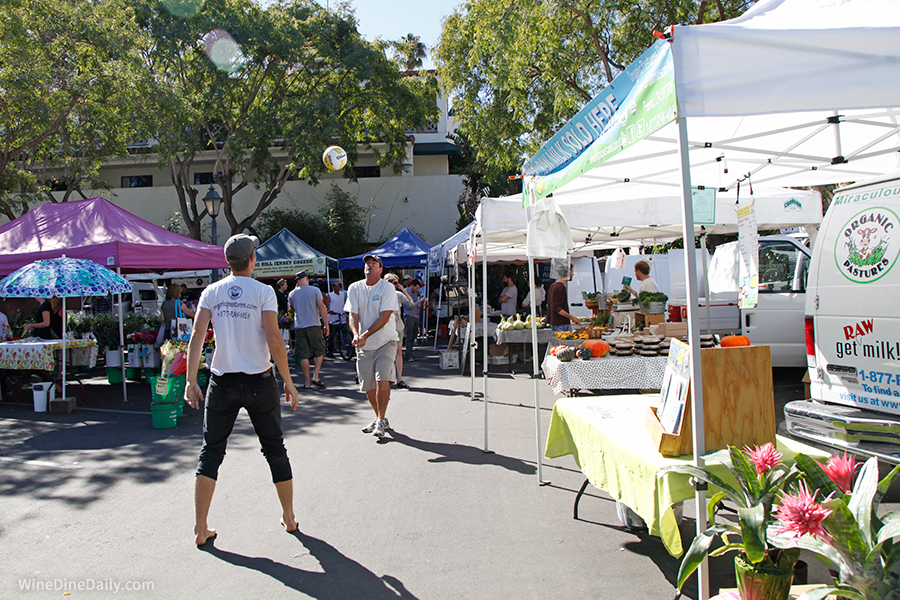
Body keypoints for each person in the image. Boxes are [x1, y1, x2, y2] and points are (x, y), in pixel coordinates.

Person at [184, 234, 300, 547]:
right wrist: (288, 380)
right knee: (274, 448)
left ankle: (200, 528)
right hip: (259, 380)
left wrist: (190, 379)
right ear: (253, 260)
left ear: (227, 261)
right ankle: (289, 517)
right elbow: (274, 338)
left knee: (211, 452)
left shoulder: (212, 291)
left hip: (222, 380)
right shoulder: (264, 292)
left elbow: (197, 335)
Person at [346, 254, 399, 438]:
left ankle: (380, 419)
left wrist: (365, 335)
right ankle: (380, 418)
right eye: (367, 263)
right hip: (364, 345)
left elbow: (385, 317)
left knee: (381, 379)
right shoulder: (354, 287)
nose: (369, 265)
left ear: (380, 269)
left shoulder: (387, 288)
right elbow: (352, 315)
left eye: (373, 263)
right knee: (368, 386)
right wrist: (355, 335)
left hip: (386, 341)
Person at [288, 271, 328, 389]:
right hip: (314, 324)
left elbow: (291, 309)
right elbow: (321, 307)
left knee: (304, 355)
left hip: (300, 326)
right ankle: (315, 375)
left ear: (297, 281)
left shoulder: (292, 294)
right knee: (319, 351)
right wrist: (326, 324)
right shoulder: (314, 290)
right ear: (306, 279)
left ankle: (307, 382)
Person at [385, 273, 414, 390]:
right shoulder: (382, 294)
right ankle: (386, 377)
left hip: (397, 325)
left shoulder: (398, 295)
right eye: (395, 283)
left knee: (398, 352)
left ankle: (399, 378)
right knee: (386, 352)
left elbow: (411, 303)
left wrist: (404, 290)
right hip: (385, 326)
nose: (397, 285)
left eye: (397, 283)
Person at [546, 258, 581, 332]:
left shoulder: (553, 285)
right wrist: (571, 317)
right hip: (561, 323)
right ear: (567, 273)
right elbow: (556, 307)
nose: (573, 274)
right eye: (572, 272)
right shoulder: (560, 287)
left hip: (554, 323)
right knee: (563, 342)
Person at [402, 279, 426, 362]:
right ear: (412, 286)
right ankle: (408, 356)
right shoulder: (406, 293)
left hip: (415, 315)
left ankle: (410, 354)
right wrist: (419, 301)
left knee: (413, 336)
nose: (417, 290)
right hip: (409, 316)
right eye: (416, 288)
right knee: (409, 336)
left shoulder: (415, 292)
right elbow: (409, 306)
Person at [325, 281, 347, 358]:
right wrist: (331, 311)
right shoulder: (329, 295)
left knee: (345, 334)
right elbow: (327, 306)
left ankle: (349, 350)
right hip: (333, 318)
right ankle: (329, 351)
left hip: (342, 317)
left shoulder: (342, 295)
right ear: (333, 287)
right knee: (332, 336)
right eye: (335, 286)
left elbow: (345, 303)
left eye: (338, 285)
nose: (337, 287)